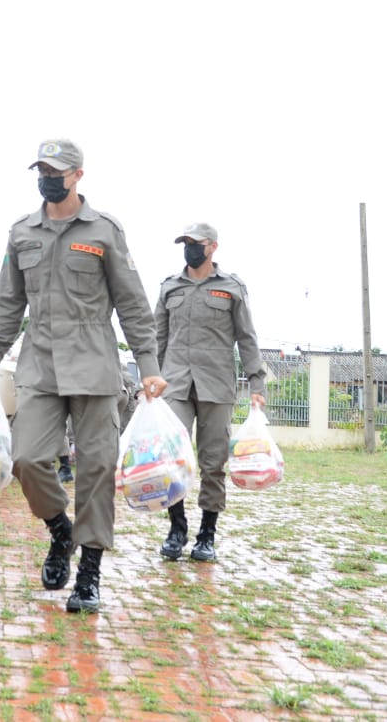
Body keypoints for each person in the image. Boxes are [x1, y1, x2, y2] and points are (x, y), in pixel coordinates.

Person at [0, 139, 167, 615]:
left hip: (95, 364)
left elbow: (133, 304)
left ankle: (90, 573)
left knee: (97, 469)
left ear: (78, 174)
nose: (47, 177)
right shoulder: (22, 233)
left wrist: (149, 367)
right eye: (41, 169)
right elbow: (8, 306)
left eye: (56, 170)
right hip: (39, 363)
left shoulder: (103, 230)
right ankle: (61, 530)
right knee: (28, 459)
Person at [154, 223, 266, 563]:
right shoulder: (169, 288)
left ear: (212, 247)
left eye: (195, 243)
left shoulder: (231, 288)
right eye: (185, 243)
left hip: (216, 385)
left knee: (213, 463)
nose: (189, 248)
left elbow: (246, 337)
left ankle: (207, 534)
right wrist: (151, 378)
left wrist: (257, 383)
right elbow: (157, 337)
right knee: (171, 455)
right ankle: (176, 528)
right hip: (174, 382)